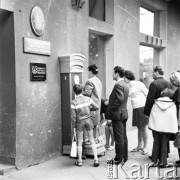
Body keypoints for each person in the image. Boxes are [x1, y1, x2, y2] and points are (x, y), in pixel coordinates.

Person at [144, 66, 172, 168]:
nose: (152, 74)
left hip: (156, 113)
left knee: (156, 137)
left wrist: (146, 112)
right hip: (167, 113)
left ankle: (155, 159)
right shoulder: (169, 83)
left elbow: (150, 99)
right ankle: (163, 158)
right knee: (164, 137)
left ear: (156, 72)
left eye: (153, 72)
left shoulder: (154, 83)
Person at [71, 84, 100, 167]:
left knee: (79, 142)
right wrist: (88, 108)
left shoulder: (73, 102)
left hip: (80, 122)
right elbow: (97, 107)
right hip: (89, 120)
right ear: (82, 91)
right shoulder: (88, 99)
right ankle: (96, 159)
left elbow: (73, 117)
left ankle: (79, 161)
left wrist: (74, 127)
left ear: (74, 92)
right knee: (92, 140)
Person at [105, 66, 129, 164]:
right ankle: (124, 156)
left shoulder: (118, 85)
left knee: (119, 138)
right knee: (123, 136)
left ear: (117, 73)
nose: (112, 74)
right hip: (123, 113)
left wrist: (112, 109)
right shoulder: (125, 84)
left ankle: (119, 158)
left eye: (113, 73)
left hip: (117, 114)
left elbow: (119, 99)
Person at [124, 70, 149, 155]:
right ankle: (139, 146)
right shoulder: (128, 85)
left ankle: (145, 147)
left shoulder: (139, 84)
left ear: (127, 77)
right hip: (136, 108)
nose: (123, 78)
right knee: (139, 127)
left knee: (144, 127)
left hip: (142, 107)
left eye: (124, 77)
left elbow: (147, 93)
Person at [83, 64, 102, 139]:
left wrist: (79, 91)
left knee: (89, 127)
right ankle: (94, 145)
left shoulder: (90, 81)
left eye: (88, 71)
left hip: (91, 107)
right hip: (97, 106)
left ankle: (90, 146)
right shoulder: (98, 80)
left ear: (90, 71)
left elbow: (87, 94)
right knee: (94, 126)